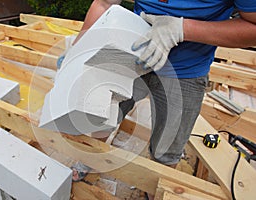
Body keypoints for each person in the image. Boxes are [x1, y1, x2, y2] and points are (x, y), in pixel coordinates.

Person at [61, 0, 256, 199]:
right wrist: (78, 47)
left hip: (185, 71)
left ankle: (156, 187)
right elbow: (103, 3)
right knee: (103, 114)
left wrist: (183, 29)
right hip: (131, 52)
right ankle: (90, 159)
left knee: (167, 147)